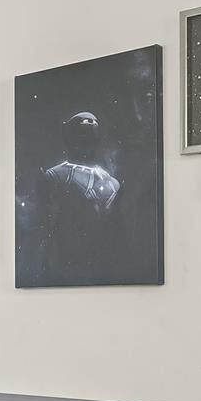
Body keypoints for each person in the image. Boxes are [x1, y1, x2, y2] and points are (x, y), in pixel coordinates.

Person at [25, 110, 123, 280]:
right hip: (68, 266)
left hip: (93, 267)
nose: (84, 142)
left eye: (87, 136)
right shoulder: (56, 176)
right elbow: (43, 227)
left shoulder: (56, 176)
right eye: (81, 136)